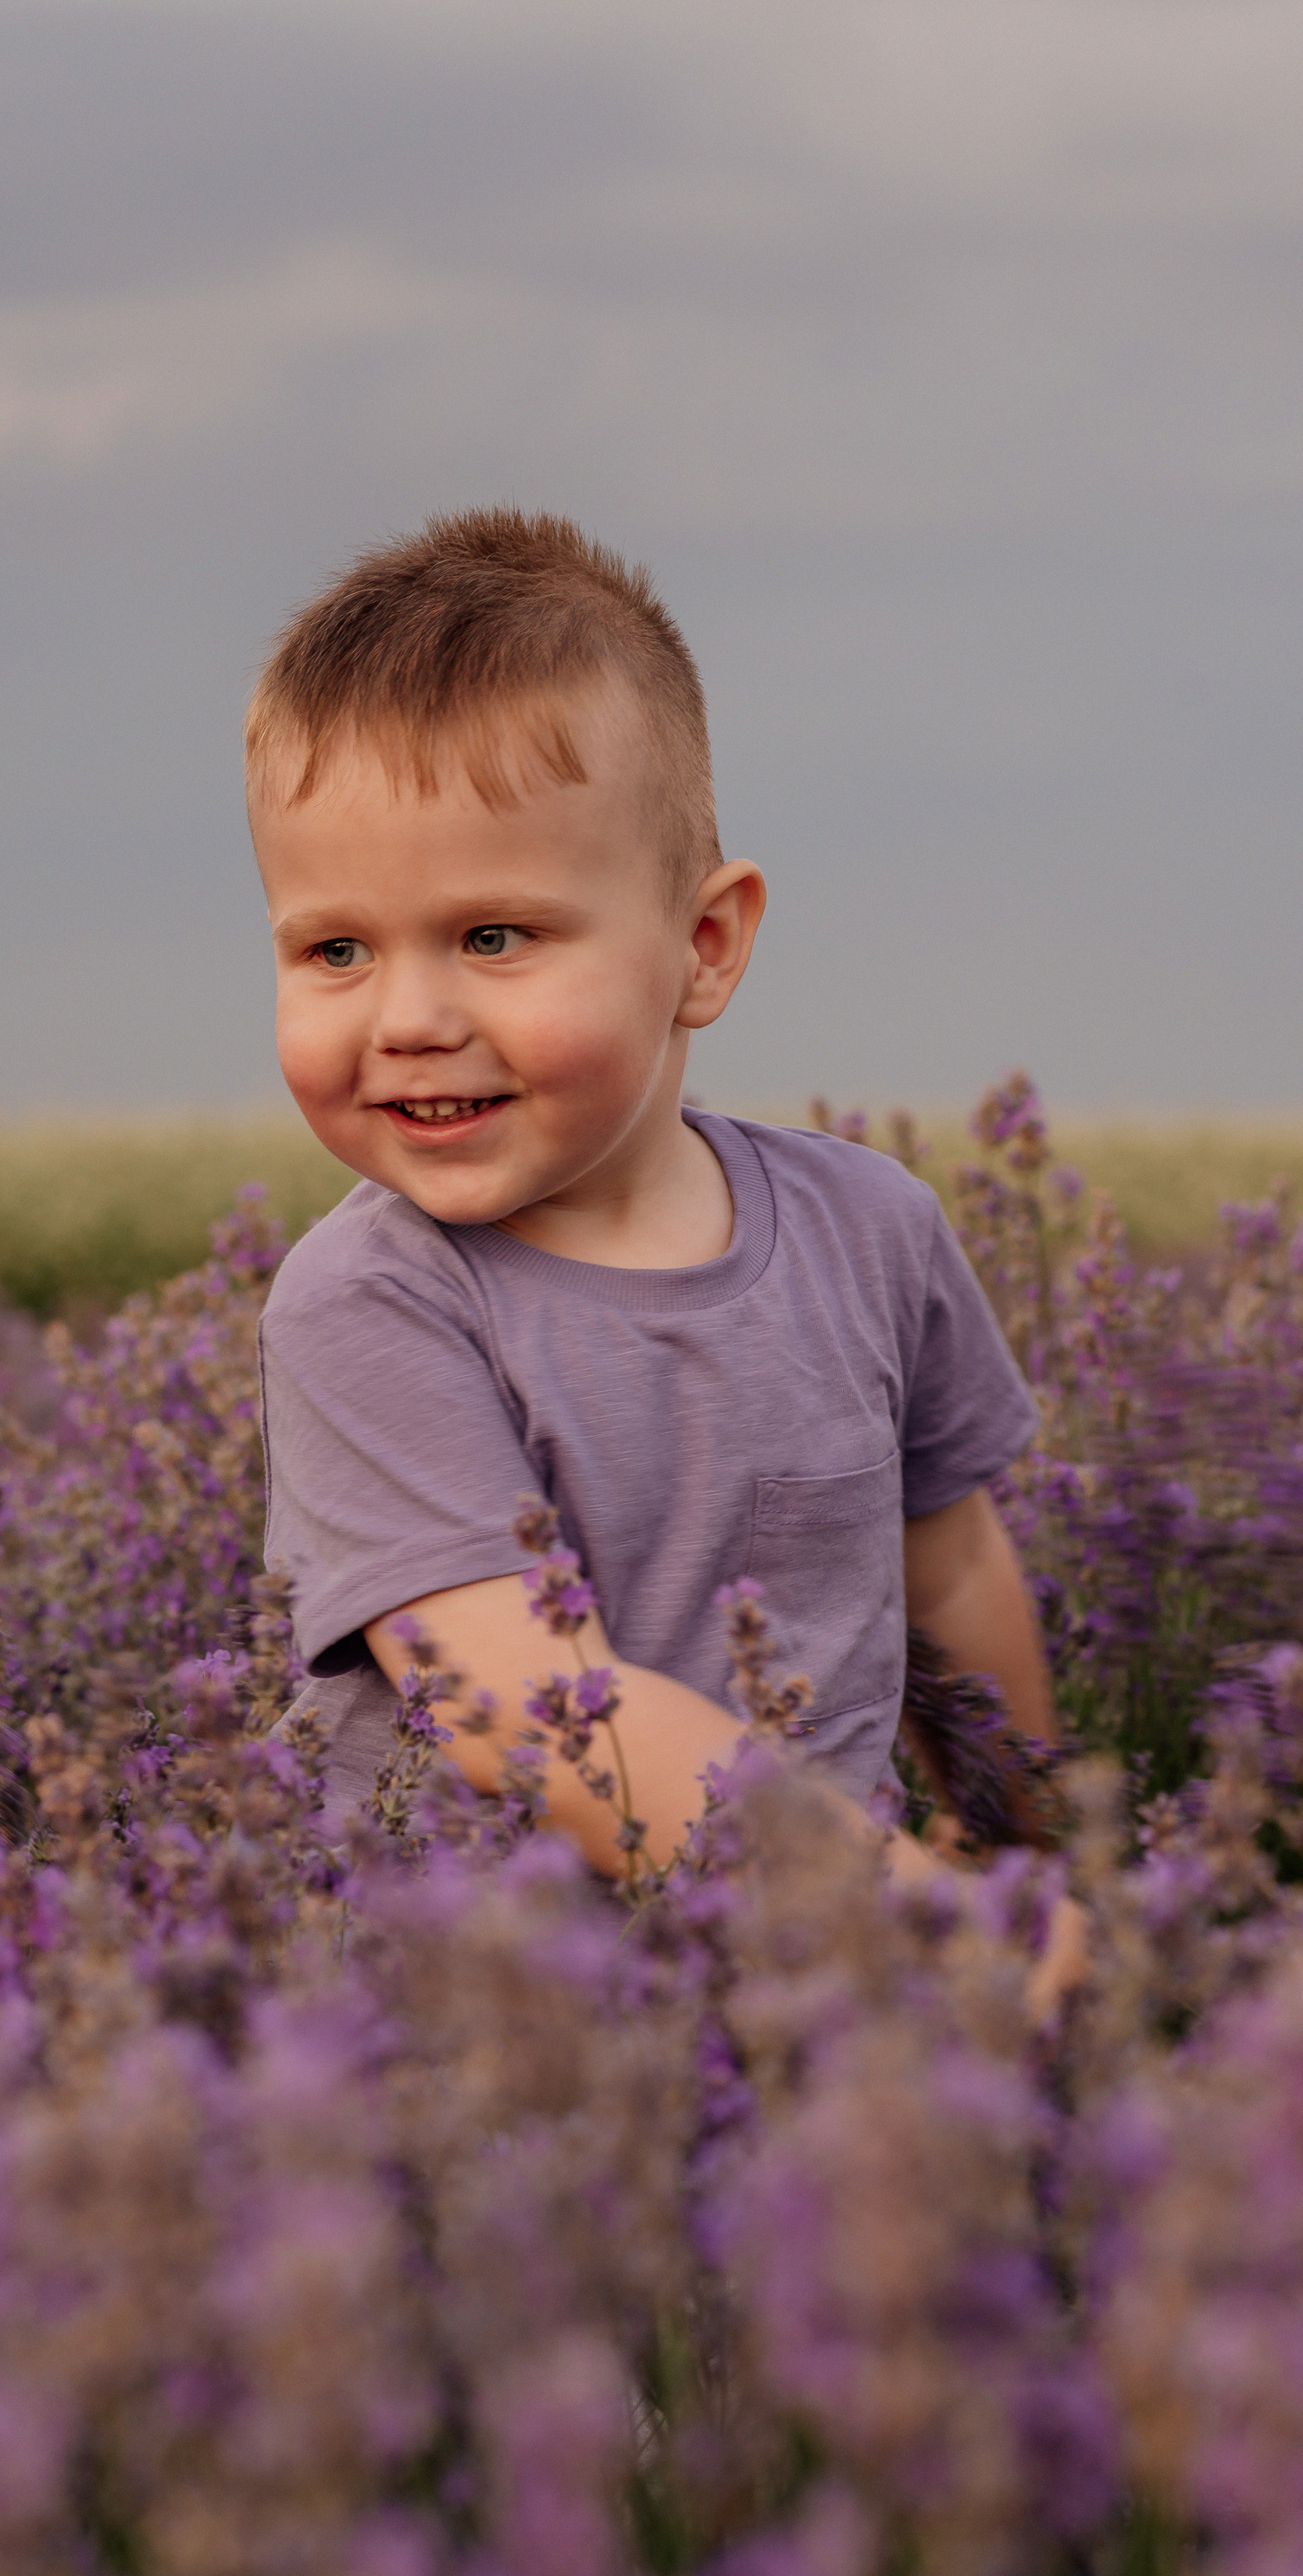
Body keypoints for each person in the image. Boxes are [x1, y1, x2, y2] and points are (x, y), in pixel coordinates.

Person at [246, 508, 1059, 1899]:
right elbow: (521, 1703)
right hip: (478, 2030)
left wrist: (1027, 1865)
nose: (410, 1018)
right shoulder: (373, 1304)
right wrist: (894, 1900)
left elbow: (953, 1579)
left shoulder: (869, 1234)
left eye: (493, 936)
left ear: (701, 946)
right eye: (335, 949)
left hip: (827, 1985)